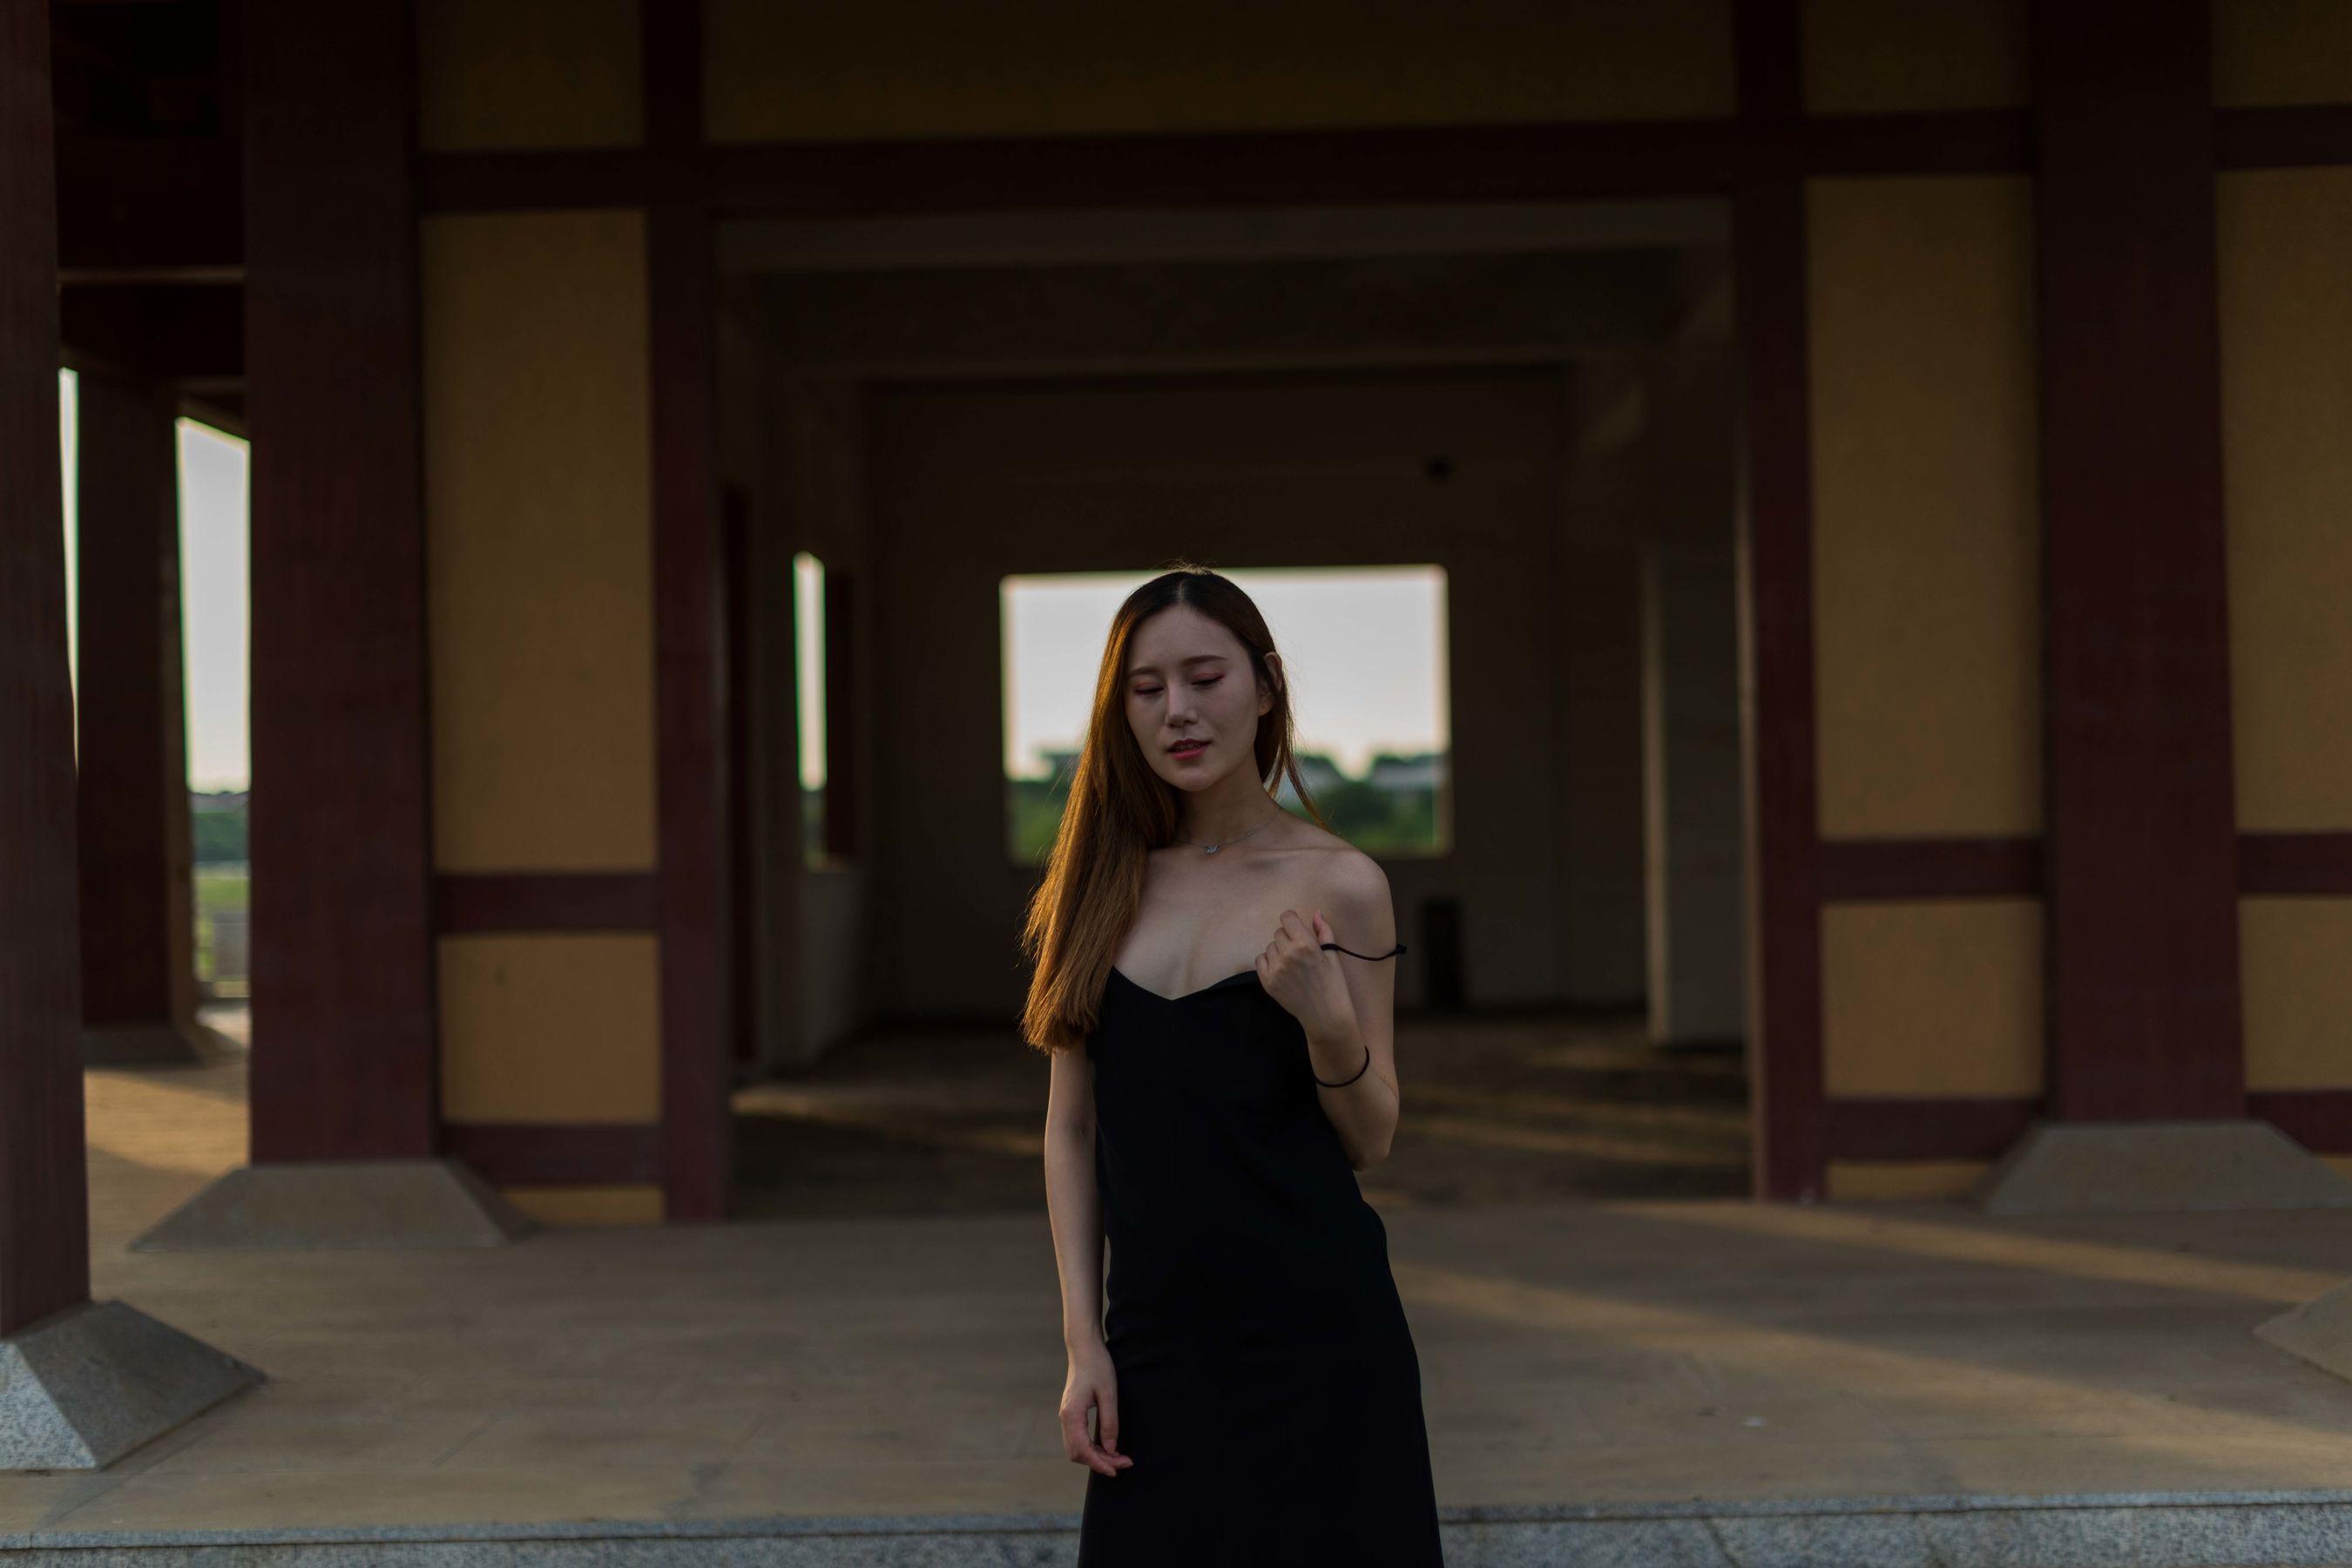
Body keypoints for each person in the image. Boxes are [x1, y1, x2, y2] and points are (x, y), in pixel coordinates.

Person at [1024, 563, 1445, 1565]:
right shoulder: (1099, 884)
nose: (1178, 710)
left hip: (1320, 1341)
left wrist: (1326, 1021)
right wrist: (1084, 1344)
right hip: (1154, 1349)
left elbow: (1372, 1136)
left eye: (1205, 678)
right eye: (1147, 688)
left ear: (1265, 686)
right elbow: (1072, 1129)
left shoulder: (1342, 884)